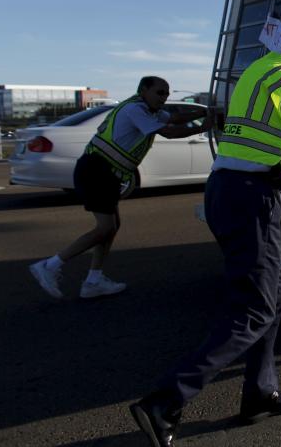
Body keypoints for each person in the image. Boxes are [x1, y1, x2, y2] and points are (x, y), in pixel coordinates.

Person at [129, 26, 281, 447]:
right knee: (257, 307)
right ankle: (164, 402)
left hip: (224, 191)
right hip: (253, 199)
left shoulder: (263, 72)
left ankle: (259, 392)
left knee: (277, 290)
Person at [29, 77, 210, 299]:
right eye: (160, 92)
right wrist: (204, 127)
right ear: (144, 90)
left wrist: (203, 112)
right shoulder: (135, 110)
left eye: (167, 93)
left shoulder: (149, 109)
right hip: (97, 170)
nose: (164, 97)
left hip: (108, 172)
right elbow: (169, 131)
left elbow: (175, 117)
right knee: (105, 228)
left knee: (112, 226)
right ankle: (50, 265)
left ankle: (93, 281)